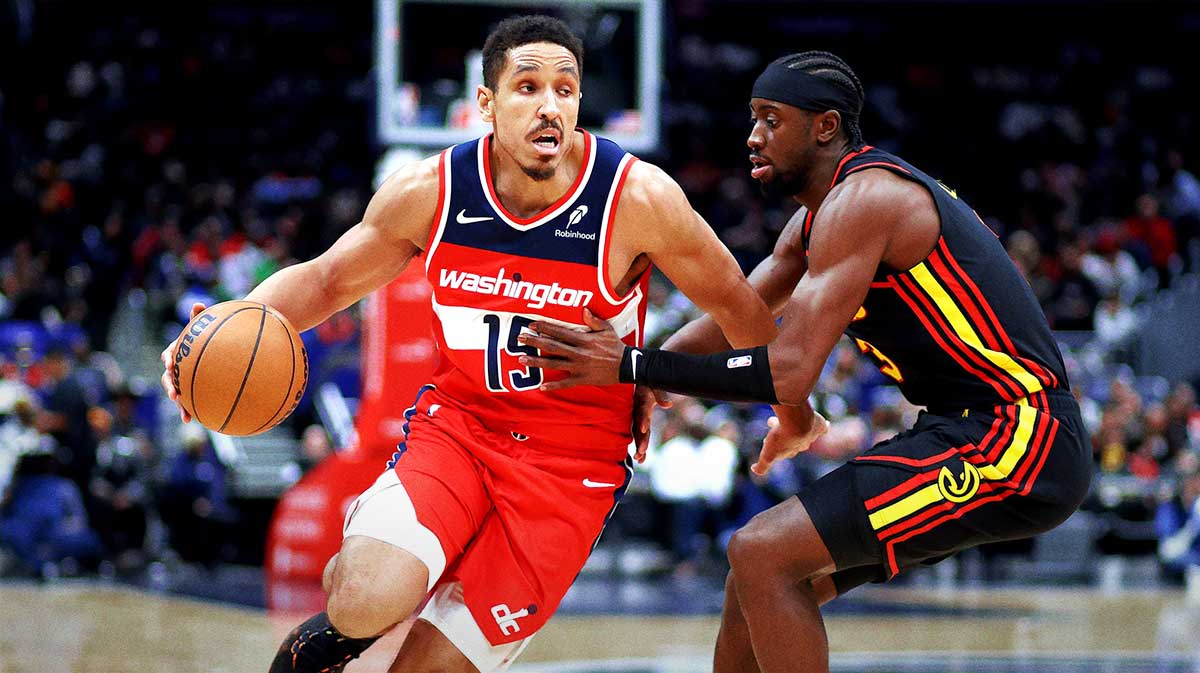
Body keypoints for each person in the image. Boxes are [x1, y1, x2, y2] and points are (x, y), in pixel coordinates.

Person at [158, 15, 781, 673]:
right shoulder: (433, 190)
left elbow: (744, 313)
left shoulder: (638, 198)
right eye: (528, 86)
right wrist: (207, 332)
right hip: (460, 427)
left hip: (573, 465)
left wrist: (759, 402)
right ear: (484, 102)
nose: (550, 105)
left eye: (565, 89)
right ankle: (337, 628)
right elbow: (325, 280)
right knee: (363, 597)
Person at [519, 51, 1093, 673]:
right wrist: (646, 382)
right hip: (963, 427)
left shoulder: (868, 199)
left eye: (771, 119)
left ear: (824, 127)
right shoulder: (814, 220)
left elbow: (788, 371)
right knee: (758, 576)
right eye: (753, 118)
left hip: (1022, 436)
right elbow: (741, 312)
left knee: (764, 553)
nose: (752, 136)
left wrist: (634, 368)